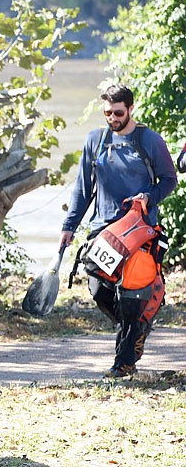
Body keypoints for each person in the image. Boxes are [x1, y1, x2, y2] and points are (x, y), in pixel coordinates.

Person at [60, 84, 177, 378]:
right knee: (99, 290)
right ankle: (138, 327)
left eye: (118, 112)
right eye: (108, 113)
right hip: (104, 230)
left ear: (131, 109)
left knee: (130, 299)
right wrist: (69, 226)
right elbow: (83, 189)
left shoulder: (150, 141)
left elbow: (169, 180)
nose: (112, 118)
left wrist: (149, 196)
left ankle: (123, 364)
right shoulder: (95, 140)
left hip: (139, 230)